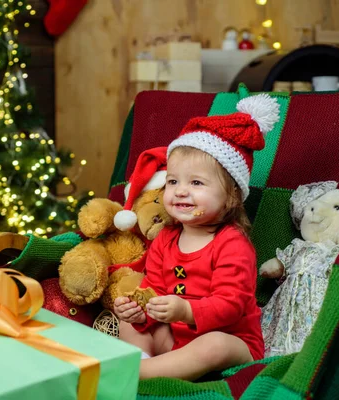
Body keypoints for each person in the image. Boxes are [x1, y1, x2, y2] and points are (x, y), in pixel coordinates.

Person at [113, 93, 280, 380]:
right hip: (176, 337)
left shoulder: (232, 243)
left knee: (213, 346)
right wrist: (141, 311)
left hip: (229, 338)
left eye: (196, 183)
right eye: (173, 181)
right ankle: (144, 359)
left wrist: (186, 310)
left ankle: (141, 373)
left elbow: (230, 305)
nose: (180, 191)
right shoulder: (165, 238)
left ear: (231, 197)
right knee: (128, 319)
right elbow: (154, 287)